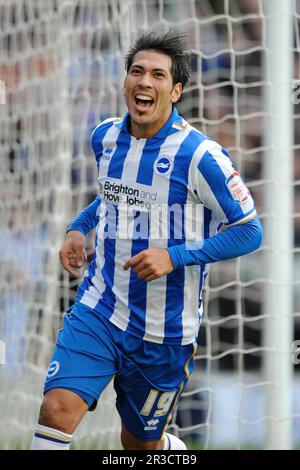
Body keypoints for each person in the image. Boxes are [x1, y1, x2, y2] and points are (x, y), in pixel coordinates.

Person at [31, 30, 263, 451]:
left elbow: (250, 230)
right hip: (100, 307)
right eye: (136, 71)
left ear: (175, 91)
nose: (144, 81)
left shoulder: (201, 156)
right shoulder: (104, 136)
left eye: (158, 75)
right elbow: (109, 195)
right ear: (124, 82)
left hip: (164, 332)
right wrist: (77, 228)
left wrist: (174, 257)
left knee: (139, 445)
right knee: (56, 409)